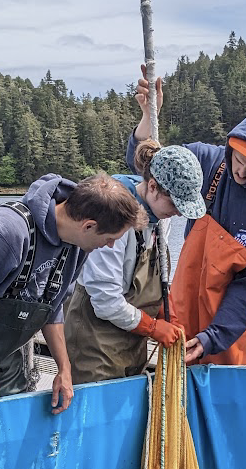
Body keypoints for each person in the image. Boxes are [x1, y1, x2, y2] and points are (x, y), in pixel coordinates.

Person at [0, 173, 146, 415]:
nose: (110, 246)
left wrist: (64, 369)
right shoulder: (4, 231)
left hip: (4, 359)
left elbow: (52, 306)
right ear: (89, 226)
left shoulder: (78, 246)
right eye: (110, 239)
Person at [130, 66, 246, 366]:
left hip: (230, 327)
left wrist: (212, 338)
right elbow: (147, 165)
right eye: (237, 160)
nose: (241, 171)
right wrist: (148, 117)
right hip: (183, 305)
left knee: (227, 400)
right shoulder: (208, 161)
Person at [63, 141, 205, 383]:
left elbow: (153, 276)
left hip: (130, 341)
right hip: (95, 340)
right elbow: (106, 302)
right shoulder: (112, 215)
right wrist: (153, 328)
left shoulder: (160, 216)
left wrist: (166, 312)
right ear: (152, 187)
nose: (179, 213)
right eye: (175, 205)